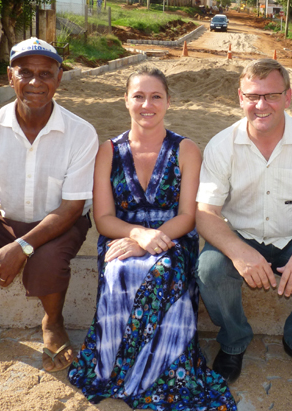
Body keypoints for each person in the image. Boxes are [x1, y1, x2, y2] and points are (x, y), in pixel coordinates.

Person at [68, 67, 236, 410]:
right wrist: (137, 234)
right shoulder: (108, 151)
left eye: (156, 96)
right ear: (126, 101)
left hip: (172, 238)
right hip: (121, 234)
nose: (148, 104)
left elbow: (188, 216)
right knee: (118, 271)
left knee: (162, 272)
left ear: (168, 102)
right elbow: (103, 219)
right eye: (139, 96)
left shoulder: (186, 149)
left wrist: (151, 238)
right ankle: (117, 370)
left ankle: (160, 373)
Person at [0, 37, 99, 373]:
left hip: (60, 221)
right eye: (25, 73)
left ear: (59, 78)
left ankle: (52, 323)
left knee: (47, 261)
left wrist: (20, 247)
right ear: (10, 77)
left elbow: (71, 208)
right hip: (7, 215)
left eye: (45, 73)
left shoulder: (81, 133)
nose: (35, 83)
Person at [195, 59, 292, 386]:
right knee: (209, 268)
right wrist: (238, 251)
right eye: (253, 96)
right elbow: (205, 214)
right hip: (241, 234)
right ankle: (234, 341)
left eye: (272, 96)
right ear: (240, 98)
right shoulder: (221, 146)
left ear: (288, 97)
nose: (261, 105)